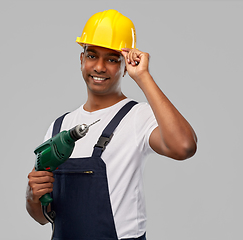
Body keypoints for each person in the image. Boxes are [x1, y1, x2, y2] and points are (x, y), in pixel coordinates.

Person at [26, 9, 197, 240]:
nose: (99, 67)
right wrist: (32, 196)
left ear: (126, 65)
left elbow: (184, 146)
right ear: (81, 59)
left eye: (112, 59)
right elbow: (42, 217)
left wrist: (143, 77)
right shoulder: (59, 126)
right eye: (92, 55)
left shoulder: (138, 116)